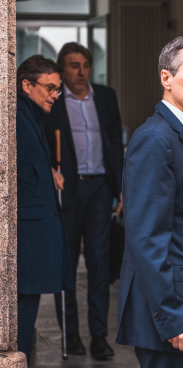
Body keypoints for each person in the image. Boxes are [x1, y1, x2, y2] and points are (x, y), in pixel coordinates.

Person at [116, 35, 183, 368]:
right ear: (166, 78)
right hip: (168, 314)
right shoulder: (155, 139)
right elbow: (146, 239)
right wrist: (174, 316)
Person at [44, 43, 124, 359]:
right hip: (69, 189)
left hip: (101, 190)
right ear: (62, 70)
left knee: (99, 264)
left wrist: (120, 189)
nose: (81, 72)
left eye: (85, 65)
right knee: (66, 263)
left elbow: (115, 146)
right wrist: (50, 169)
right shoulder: (53, 100)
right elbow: (40, 139)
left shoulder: (105, 97)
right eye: (74, 66)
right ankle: (72, 334)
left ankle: (99, 335)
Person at [16, 55, 74, 363]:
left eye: (58, 89)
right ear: (27, 85)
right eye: (50, 88)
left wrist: (46, 170)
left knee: (26, 310)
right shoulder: (16, 118)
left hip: (33, 236)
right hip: (27, 239)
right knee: (22, 318)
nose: (55, 94)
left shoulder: (31, 115)